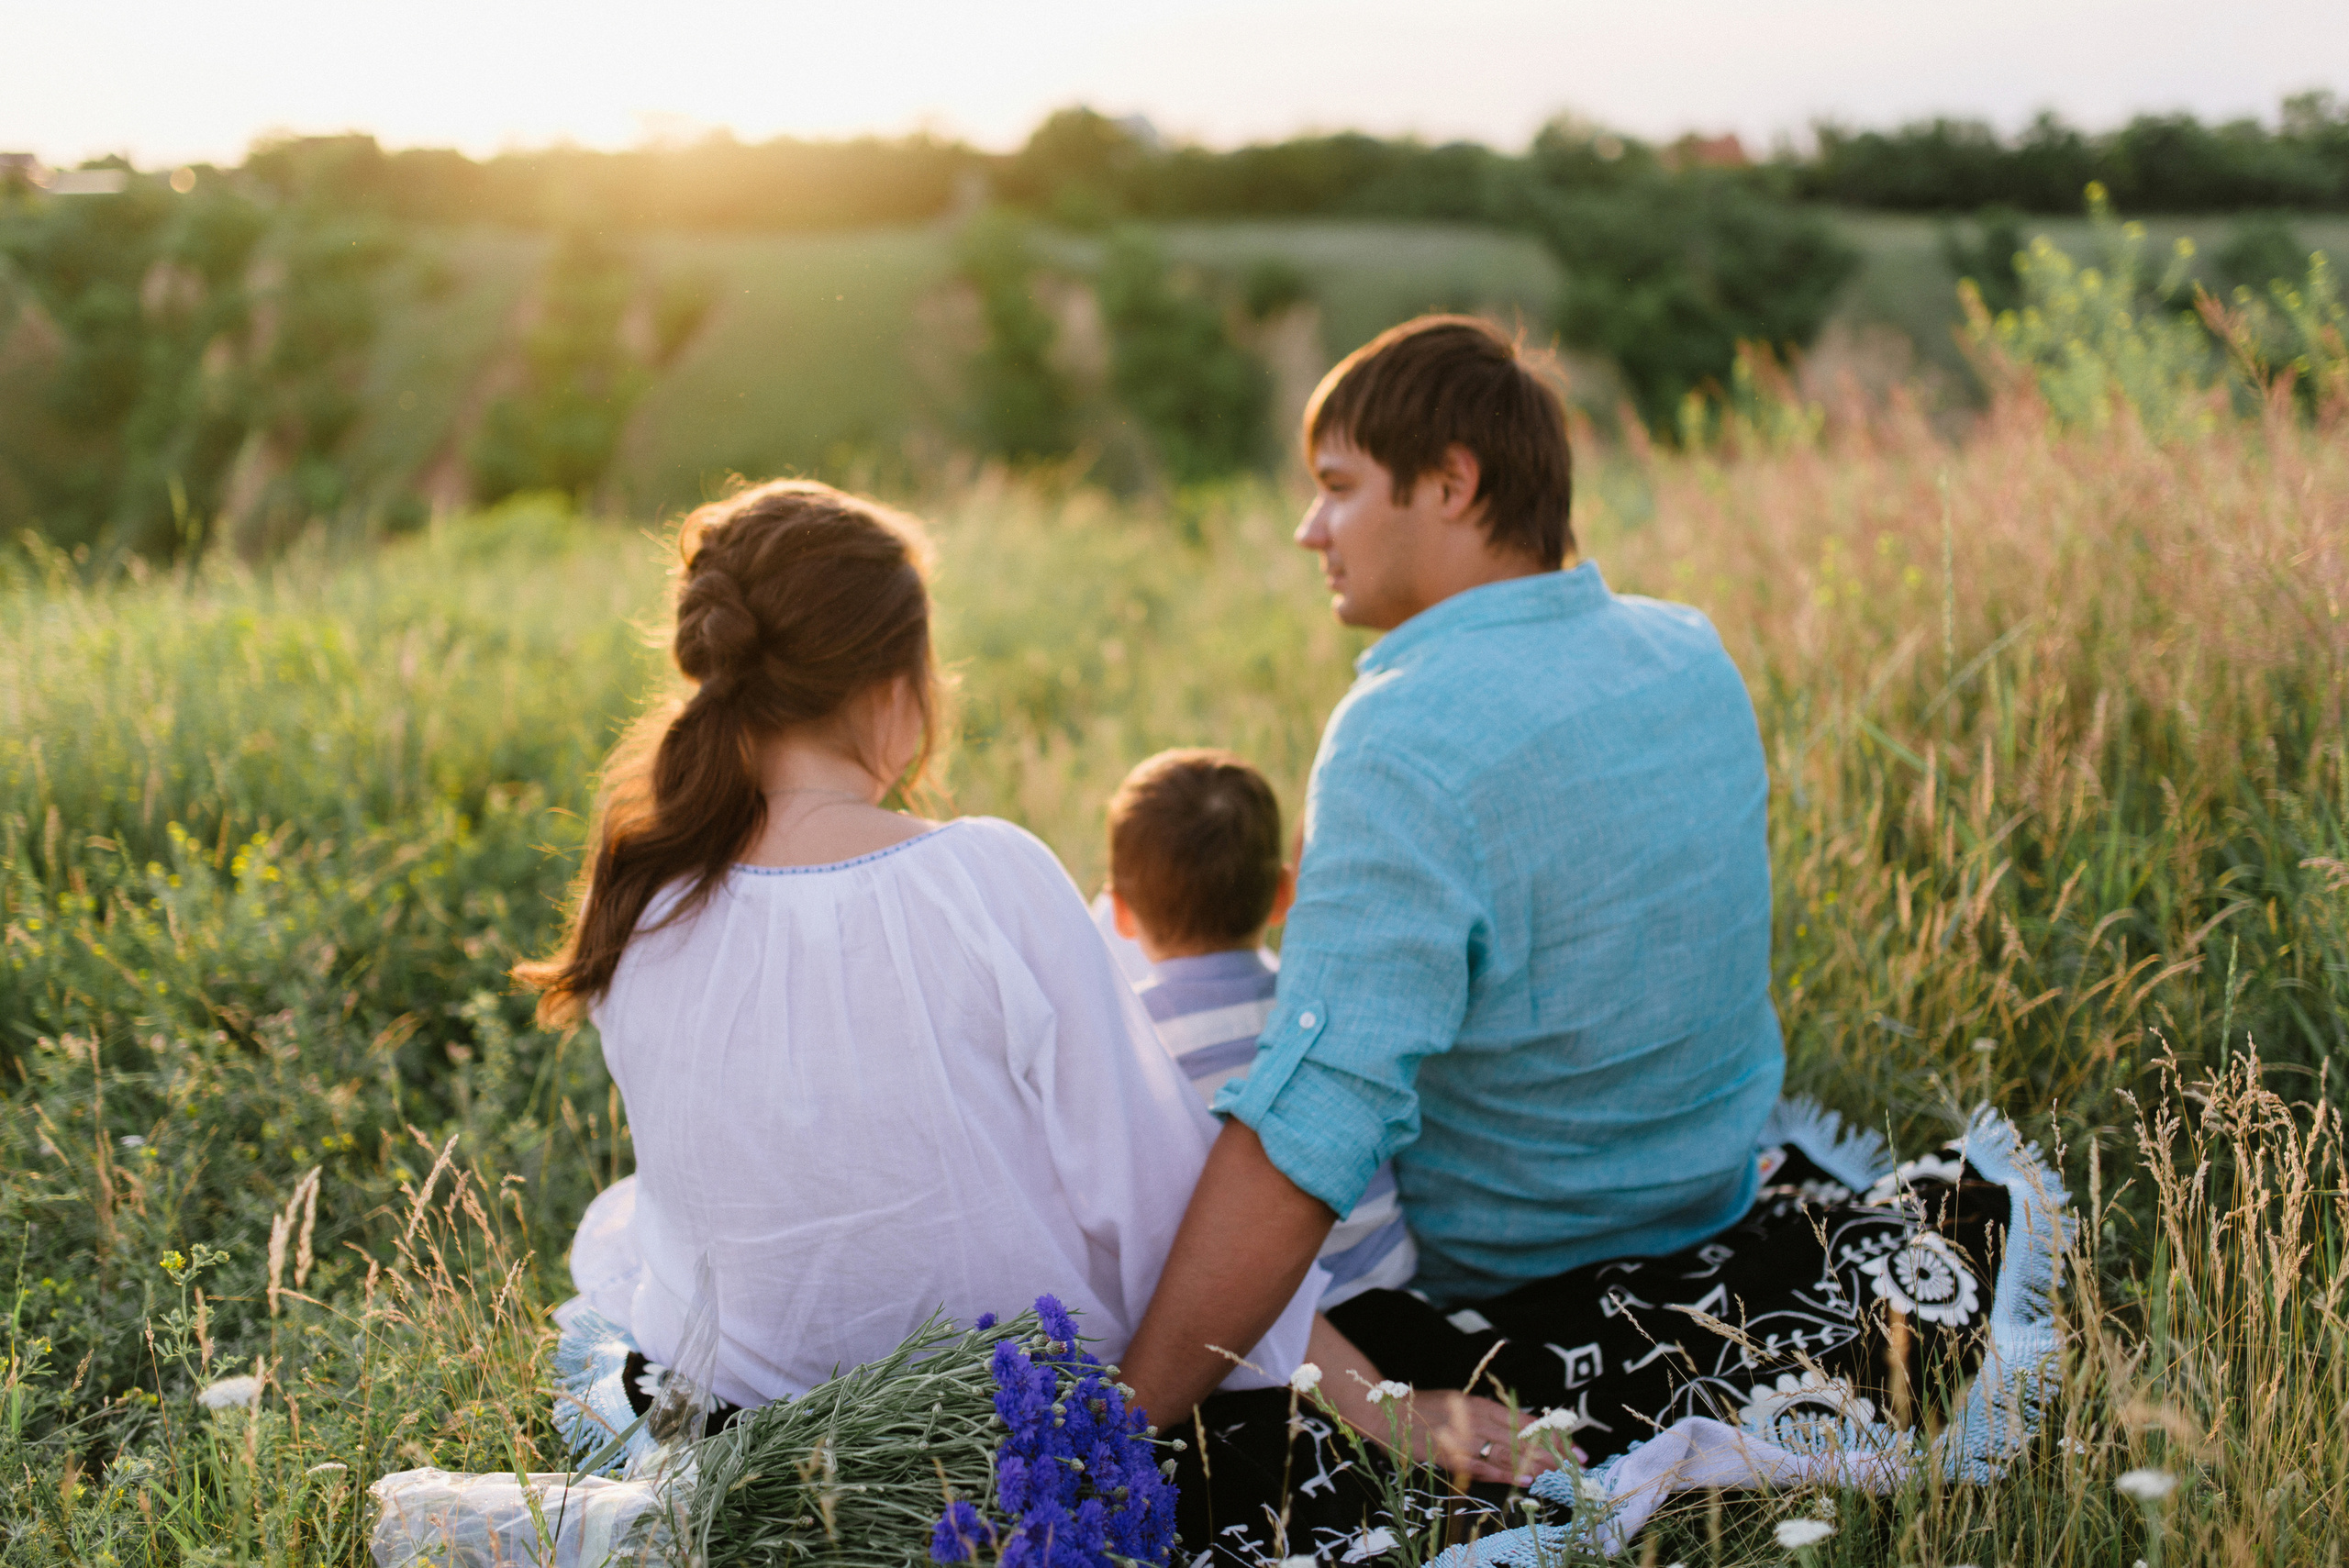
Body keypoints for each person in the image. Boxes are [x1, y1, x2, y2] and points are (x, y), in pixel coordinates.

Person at [516, 479, 1329, 1426]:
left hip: (750, 1417)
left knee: (629, 1220)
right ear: (891, 683)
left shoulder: (647, 892)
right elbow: (1158, 1202)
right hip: (1010, 1421)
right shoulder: (985, 877)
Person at [1120, 315, 1790, 1452]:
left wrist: (1119, 1415)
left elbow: (1312, 1127)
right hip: (1707, 1193)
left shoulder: (1403, 733)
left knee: (1150, 1100)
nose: (1307, 527)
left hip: (1520, 1257)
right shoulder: (1689, 647)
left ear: (1449, 482)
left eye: (1336, 487)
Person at [1103, 748, 1417, 1307]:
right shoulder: (1321, 1010)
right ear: (1282, 894)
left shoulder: (1130, 1040)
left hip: (1259, 1331)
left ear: (1121, 911)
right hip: (1390, 1291)